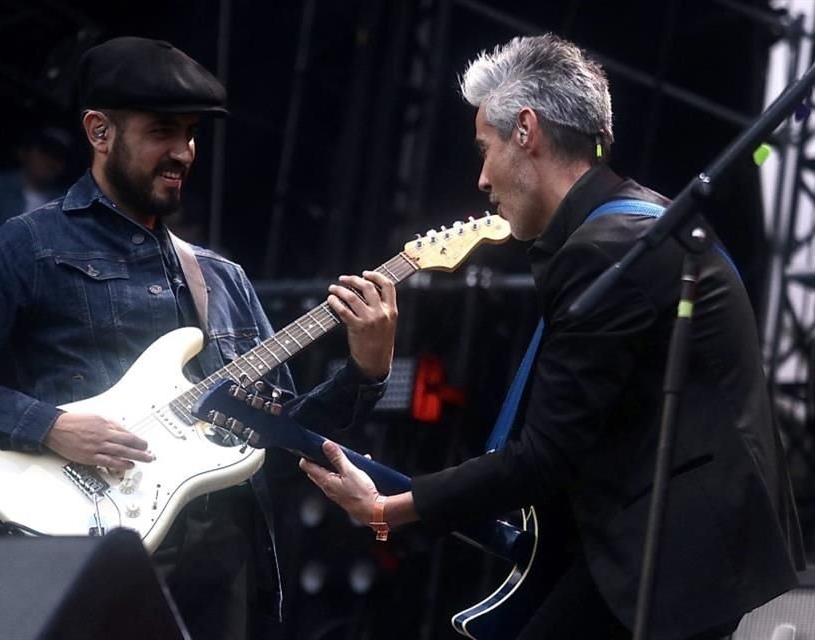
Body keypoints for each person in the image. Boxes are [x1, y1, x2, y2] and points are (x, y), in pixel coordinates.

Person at [300, 34, 806, 640]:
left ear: (527, 131)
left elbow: (545, 456)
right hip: (672, 541)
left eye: (485, 149)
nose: (482, 178)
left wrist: (389, 509)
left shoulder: (607, 250)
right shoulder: (628, 225)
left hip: (667, 557)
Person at [0, 36, 397, 640]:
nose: (183, 151)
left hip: (223, 563)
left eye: (190, 134)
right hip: (98, 544)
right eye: (162, 131)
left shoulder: (222, 277)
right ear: (99, 132)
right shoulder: (31, 245)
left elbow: (287, 441)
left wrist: (366, 370)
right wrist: (47, 426)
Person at [0, 124, 72, 260]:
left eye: (59, 155)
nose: (50, 160)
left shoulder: (65, 207)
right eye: (45, 151)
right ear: (22, 152)